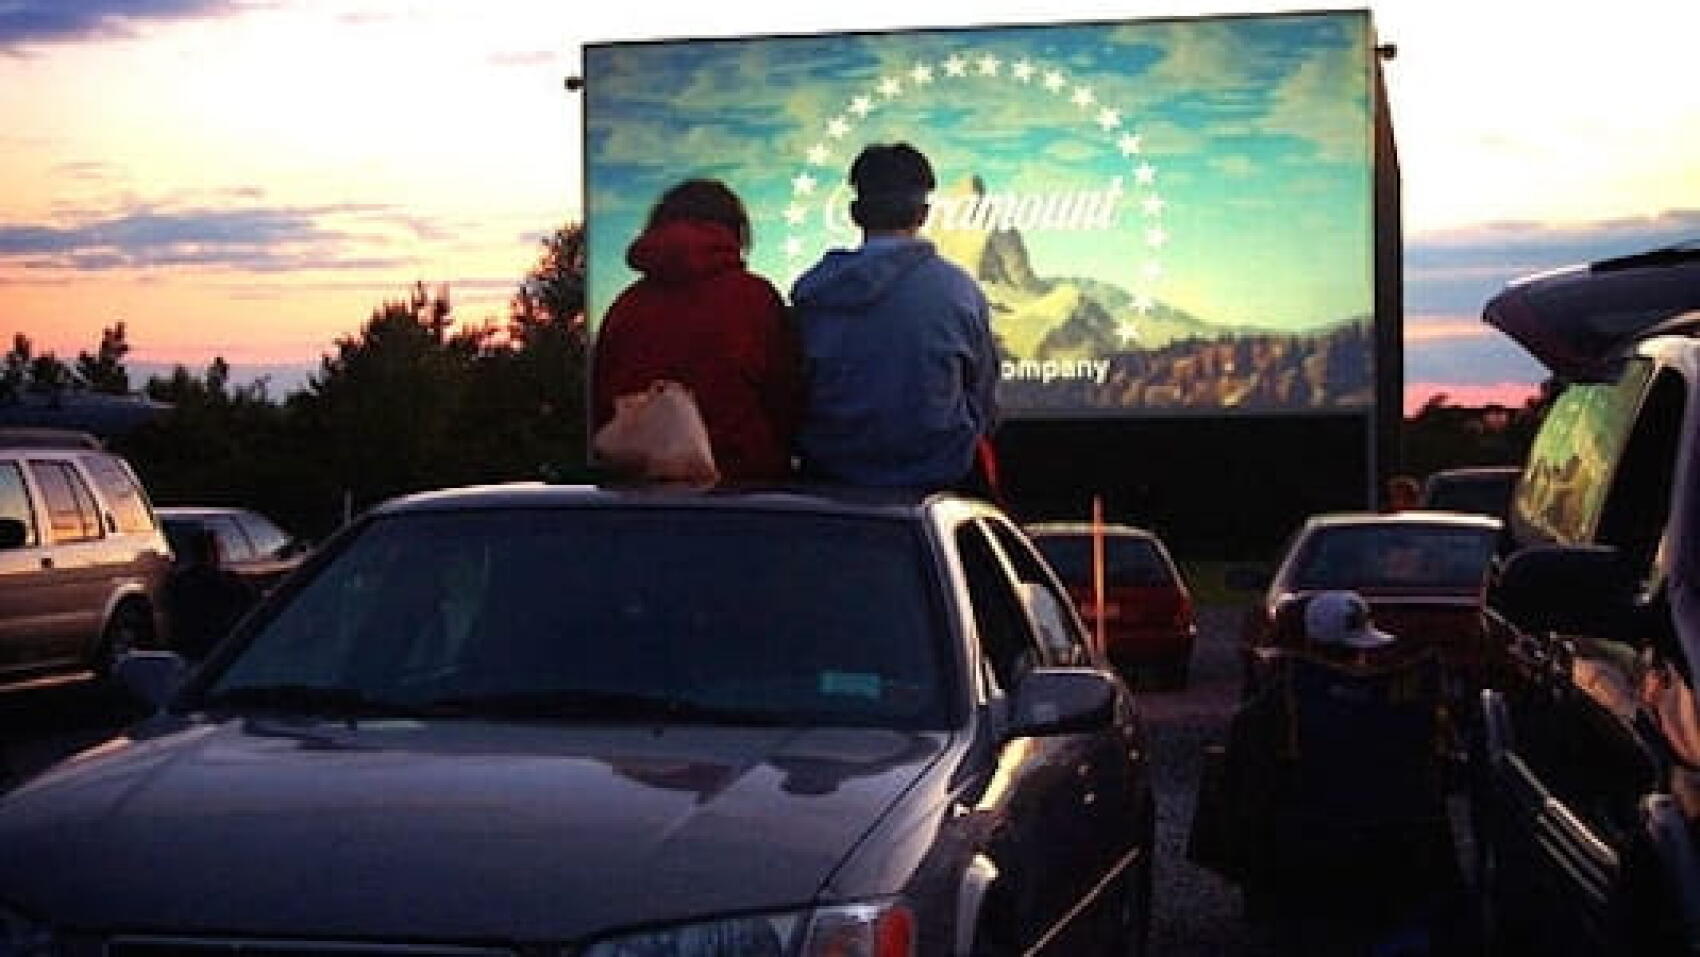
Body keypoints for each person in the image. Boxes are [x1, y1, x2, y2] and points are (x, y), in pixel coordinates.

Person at [1225, 591, 1458, 955]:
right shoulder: (1400, 703)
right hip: (1396, 863)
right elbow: (1442, 776)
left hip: (1304, 863)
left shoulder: (1276, 706)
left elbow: (1245, 795)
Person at [790, 142, 1000, 494]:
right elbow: (984, 398)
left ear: (856, 213)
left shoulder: (812, 295)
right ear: (923, 214)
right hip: (940, 496)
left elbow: (792, 395)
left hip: (828, 497)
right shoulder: (959, 292)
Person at [591, 179, 801, 483]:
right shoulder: (755, 299)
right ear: (736, 231)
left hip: (638, 499)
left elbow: (602, 408)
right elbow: (786, 403)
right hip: (744, 496)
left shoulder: (625, 308)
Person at [163, 527, 260, 660]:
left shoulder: (178, 582)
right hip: (217, 648)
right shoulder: (230, 582)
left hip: (192, 650)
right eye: (217, 549)